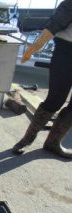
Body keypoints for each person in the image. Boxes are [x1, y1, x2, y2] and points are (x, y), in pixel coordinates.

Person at [12, 0, 72, 158]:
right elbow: (54, 25)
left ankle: (53, 142)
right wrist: (33, 48)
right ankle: (26, 139)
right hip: (67, 51)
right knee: (56, 99)